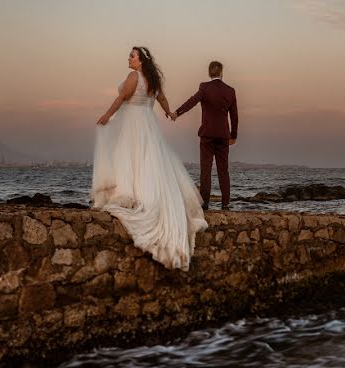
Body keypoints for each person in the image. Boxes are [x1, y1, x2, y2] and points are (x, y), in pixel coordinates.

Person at [92, 46, 207, 270]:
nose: (128, 58)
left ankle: (132, 195)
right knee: (147, 162)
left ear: (141, 61)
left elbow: (122, 98)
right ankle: (143, 194)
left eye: (132, 56)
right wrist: (169, 112)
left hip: (133, 123)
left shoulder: (134, 76)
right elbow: (162, 99)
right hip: (148, 124)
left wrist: (107, 115)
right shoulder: (152, 80)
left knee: (130, 159)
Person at [171, 60, 238, 210]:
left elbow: (192, 101)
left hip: (207, 135)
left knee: (205, 169)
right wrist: (233, 136)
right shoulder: (230, 91)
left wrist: (177, 113)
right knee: (223, 169)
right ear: (221, 73)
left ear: (209, 73)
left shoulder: (204, 87)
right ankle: (225, 203)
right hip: (223, 136)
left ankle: (205, 203)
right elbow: (234, 116)